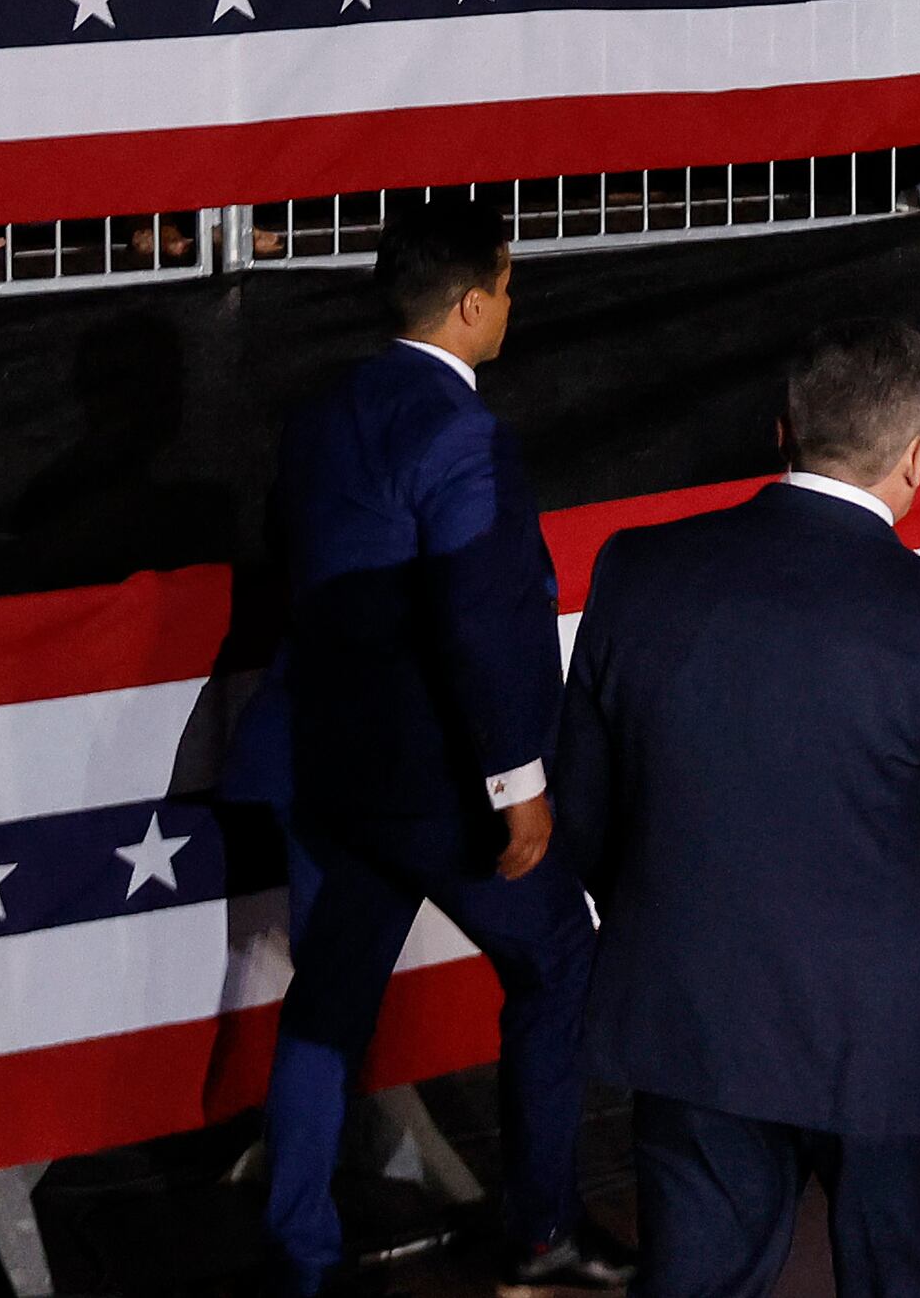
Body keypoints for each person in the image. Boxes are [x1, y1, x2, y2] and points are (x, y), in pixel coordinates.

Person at [554, 319, 920, 1298]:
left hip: (694, 1033)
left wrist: (678, 922)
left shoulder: (636, 572)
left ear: (781, 429)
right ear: (916, 457)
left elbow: (581, 818)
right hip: (888, 1062)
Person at [242, 194, 613, 1298]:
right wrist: (520, 787)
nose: (509, 306)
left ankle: (297, 1255)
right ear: (467, 302)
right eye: (504, 287)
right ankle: (541, 1235)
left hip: (322, 770)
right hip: (440, 786)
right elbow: (480, 616)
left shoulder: (320, 414)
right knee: (557, 962)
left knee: (328, 1002)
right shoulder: (463, 434)